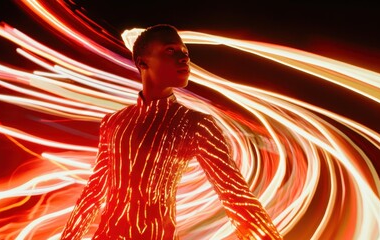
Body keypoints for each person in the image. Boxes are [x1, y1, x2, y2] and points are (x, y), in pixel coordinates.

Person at [60, 24, 282, 239]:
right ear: (143, 62)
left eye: (185, 51)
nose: (184, 57)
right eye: (171, 50)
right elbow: (94, 191)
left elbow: (236, 196)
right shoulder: (114, 122)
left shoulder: (196, 124)